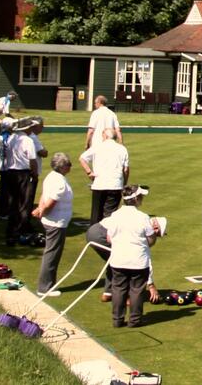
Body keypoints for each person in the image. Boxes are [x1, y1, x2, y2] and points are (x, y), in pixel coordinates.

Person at [104, 185, 164, 328]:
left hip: (118, 259)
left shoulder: (115, 215)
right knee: (136, 290)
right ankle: (135, 320)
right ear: (135, 199)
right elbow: (151, 238)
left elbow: (109, 238)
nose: (142, 199)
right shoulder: (143, 217)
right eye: (141, 196)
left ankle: (117, 320)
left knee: (118, 288)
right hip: (138, 260)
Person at [32, 153, 74, 297]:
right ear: (62, 167)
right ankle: (45, 287)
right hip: (56, 222)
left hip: (54, 220)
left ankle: (48, 284)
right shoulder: (60, 182)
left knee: (52, 252)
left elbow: (44, 196)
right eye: (69, 164)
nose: (70, 167)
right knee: (52, 254)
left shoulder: (51, 177)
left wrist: (39, 209)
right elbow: (51, 201)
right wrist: (42, 211)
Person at [79, 129, 130, 224]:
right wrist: (124, 183)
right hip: (115, 185)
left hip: (99, 184)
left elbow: (82, 158)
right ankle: (107, 236)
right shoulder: (122, 149)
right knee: (110, 216)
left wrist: (89, 172)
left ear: (105, 136)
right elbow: (126, 169)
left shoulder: (97, 146)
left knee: (96, 215)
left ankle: (94, 236)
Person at [3, 118, 39, 246]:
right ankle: (21, 232)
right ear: (27, 128)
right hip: (23, 173)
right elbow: (32, 160)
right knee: (24, 203)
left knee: (14, 203)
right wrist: (34, 174)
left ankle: (11, 232)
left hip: (11, 172)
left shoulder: (12, 138)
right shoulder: (28, 140)